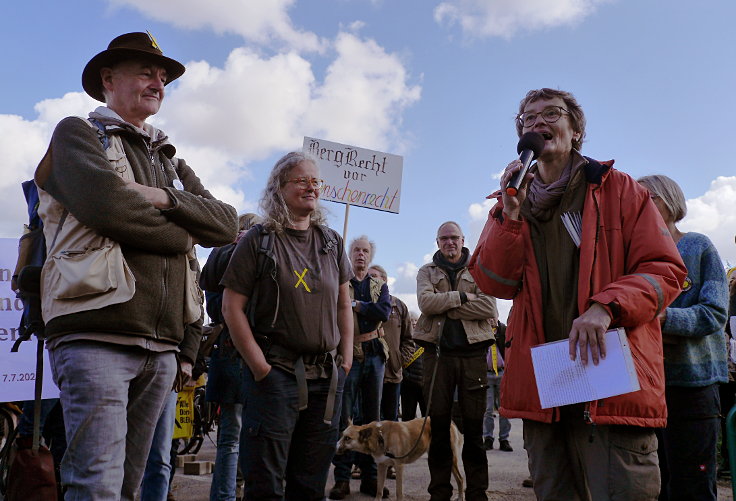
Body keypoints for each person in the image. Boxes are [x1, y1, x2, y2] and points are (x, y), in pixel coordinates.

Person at [34, 32, 237, 500]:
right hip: (95, 335)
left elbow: (226, 225)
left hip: (162, 347)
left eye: (163, 77)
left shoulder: (170, 160)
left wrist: (163, 196)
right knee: (97, 485)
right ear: (108, 78)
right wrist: (185, 229)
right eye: (146, 72)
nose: (158, 83)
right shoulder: (76, 133)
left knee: (129, 488)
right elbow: (108, 208)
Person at [469, 88, 687, 501]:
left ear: (575, 129)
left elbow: (666, 270)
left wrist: (607, 307)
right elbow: (493, 281)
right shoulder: (513, 201)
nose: (537, 124)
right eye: (527, 119)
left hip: (608, 377)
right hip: (545, 381)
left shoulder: (619, 190)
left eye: (551, 114)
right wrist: (507, 218)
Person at [221, 151, 353, 501]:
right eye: (301, 180)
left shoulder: (331, 241)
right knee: (266, 484)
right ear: (280, 187)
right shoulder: (259, 240)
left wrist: (347, 357)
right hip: (275, 374)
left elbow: (344, 304)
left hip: (326, 379)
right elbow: (231, 306)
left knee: (310, 485)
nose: (311, 187)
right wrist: (260, 367)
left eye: (316, 182)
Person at [637, 174, 728, 501]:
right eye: (636, 200)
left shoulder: (698, 246)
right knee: (653, 483)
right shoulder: (633, 258)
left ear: (670, 203)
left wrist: (662, 318)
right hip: (646, 387)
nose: (641, 206)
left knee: (693, 482)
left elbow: (715, 313)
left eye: (650, 199)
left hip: (693, 385)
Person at [414, 221, 497, 501]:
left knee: (474, 429)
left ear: (463, 240)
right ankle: (439, 493)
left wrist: (446, 307)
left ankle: (477, 494)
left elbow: (488, 306)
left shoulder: (479, 268)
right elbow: (426, 303)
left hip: (473, 355)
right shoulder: (426, 272)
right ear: (437, 242)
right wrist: (462, 297)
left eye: (454, 238)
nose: (450, 242)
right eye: (444, 238)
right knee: (438, 428)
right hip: (437, 357)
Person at [200, 213, 261, 501]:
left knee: (235, 440)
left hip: (236, 357)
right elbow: (216, 306)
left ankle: (229, 494)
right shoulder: (227, 256)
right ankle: (227, 495)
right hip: (237, 355)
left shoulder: (219, 258)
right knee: (236, 439)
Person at [330, 236, 391, 500]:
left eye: (365, 251)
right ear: (350, 254)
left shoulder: (379, 285)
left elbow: (384, 312)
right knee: (345, 420)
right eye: (356, 250)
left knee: (372, 420)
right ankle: (342, 479)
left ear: (370, 255)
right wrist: (364, 308)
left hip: (374, 355)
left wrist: (357, 306)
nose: (361, 255)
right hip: (349, 354)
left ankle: (369, 478)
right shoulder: (340, 283)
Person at [367, 264, 414, 422]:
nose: (370, 280)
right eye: (368, 277)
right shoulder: (360, 304)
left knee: (390, 419)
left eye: (373, 276)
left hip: (392, 373)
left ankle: (389, 448)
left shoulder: (399, 306)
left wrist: (399, 361)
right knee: (368, 419)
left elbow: (409, 338)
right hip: (367, 372)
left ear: (384, 280)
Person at [483, 321, 512, 452]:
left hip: (502, 372)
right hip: (487, 374)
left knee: (503, 408)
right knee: (488, 409)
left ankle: (504, 439)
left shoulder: (503, 330)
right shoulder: (482, 330)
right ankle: (488, 438)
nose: (490, 319)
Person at [401, 313, 427, 421]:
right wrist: (407, 376)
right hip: (408, 384)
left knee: (427, 418)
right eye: (412, 321)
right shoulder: (403, 340)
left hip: (425, 384)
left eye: (416, 320)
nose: (414, 323)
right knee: (408, 417)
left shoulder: (426, 339)